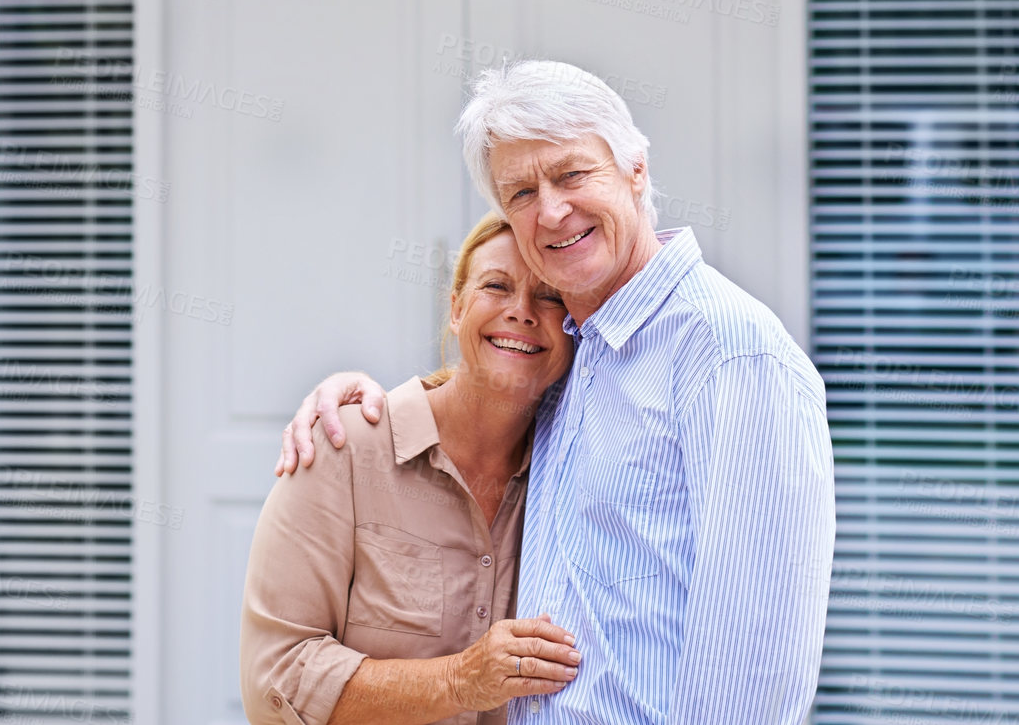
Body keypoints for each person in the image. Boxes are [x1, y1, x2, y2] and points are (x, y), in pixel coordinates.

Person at [277, 61, 837, 725]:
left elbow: (759, 651)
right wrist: (358, 400)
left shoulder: (728, 351)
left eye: (572, 174)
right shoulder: (573, 348)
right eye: (520, 193)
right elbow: (476, 391)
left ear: (635, 170)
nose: (550, 209)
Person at [240, 211, 581, 725]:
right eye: (496, 286)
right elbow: (278, 677)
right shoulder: (342, 450)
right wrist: (459, 681)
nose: (522, 311)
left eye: (551, 295)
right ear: (456, 308)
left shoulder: (577, 472)